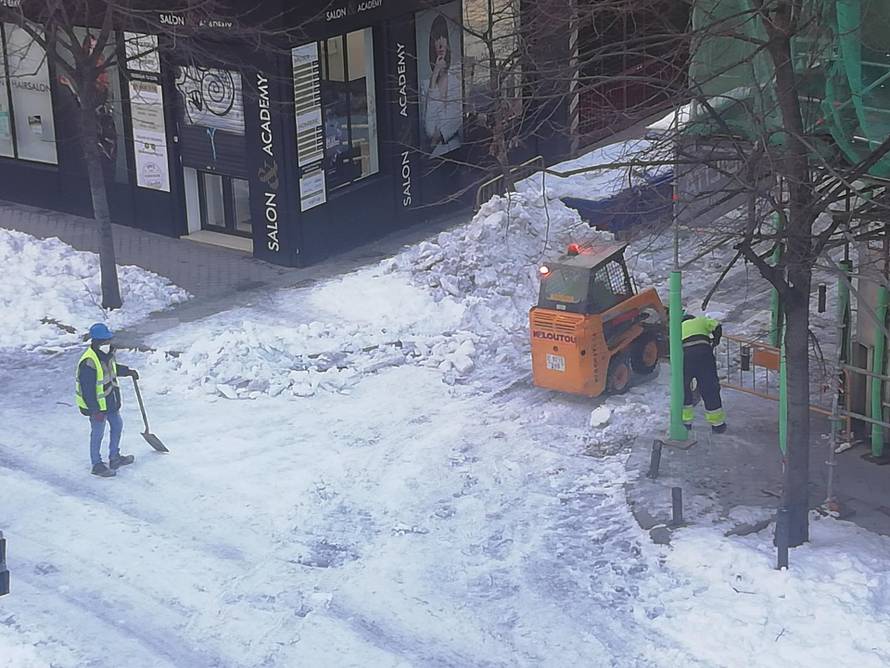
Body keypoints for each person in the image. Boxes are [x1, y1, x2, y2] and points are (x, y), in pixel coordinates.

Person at [76, 323, 139, 477]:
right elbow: (87, 390)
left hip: (110, 401)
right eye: (105, 341)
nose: (108, 343)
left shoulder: (107, 354)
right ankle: (96, 464)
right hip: (97, 407)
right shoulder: (89, 362)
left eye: (108, 340)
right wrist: (95, 410)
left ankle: (114, 457)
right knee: (98, 433)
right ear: (96, 342)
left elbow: (113, 369)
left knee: (117, 426)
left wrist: (128, 371)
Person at [423, 15, 462, 157]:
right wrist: (434, 76)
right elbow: (429, 129)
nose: (440, 44)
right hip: (435, 154)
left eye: (443, 38)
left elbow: (453, 122)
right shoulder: (426, 85)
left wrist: (439, 134)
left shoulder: (456, 83)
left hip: (455, 149)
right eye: (436, 39)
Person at [681, 313, 727, 433]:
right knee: (710, 388)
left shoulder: (677, 328)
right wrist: (715, 341)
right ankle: (717, 424)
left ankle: (686, 423)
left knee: (683, 389)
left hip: (685, 356)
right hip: (704, 353)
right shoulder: (701, 320)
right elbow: (717, 326)